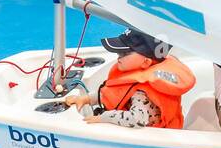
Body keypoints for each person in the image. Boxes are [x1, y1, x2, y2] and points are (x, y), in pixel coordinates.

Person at [62, 28, 194, 128]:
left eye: (124, 53)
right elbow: (115, 93)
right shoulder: (137, 74)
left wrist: (105, 118)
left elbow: (137, 119)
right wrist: (86, 99)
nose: (118, 56)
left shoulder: (142, 94)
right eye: (119, 52)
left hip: (152, 139)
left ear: (146, 62)